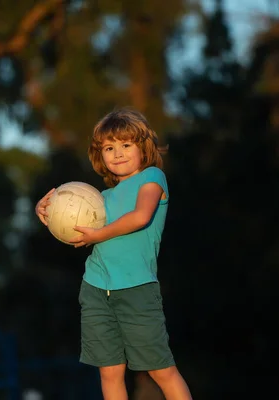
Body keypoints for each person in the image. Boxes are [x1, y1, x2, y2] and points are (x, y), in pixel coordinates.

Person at [35, 108, 192, 400]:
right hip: (95, 289)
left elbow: (140, 217)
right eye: (109, 147)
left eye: (126, 145)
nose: (117, 153)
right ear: (100, 155)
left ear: (142, 147)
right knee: (109, 372)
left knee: (161, 370)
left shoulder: (152, 178)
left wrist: (98, 235)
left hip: (136, 289)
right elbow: (74, 231)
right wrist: (46, 211)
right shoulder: (98, 200)